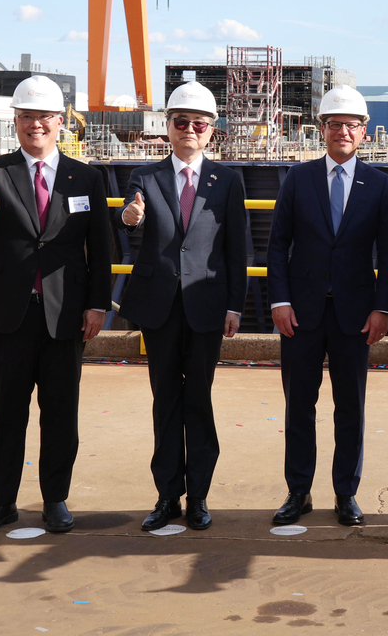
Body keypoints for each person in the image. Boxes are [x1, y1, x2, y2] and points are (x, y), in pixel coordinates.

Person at [0, 75, 112, 536]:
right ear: (16, 121)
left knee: (61, 410)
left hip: (65, 313)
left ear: (61, 122)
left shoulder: (86, 177)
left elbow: (100, 248)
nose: (36, 125)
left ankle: (55, 500)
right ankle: (1, 502)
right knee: (6, 410)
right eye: (27, 116)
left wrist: (98, 304)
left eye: (44, 116)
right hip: (7, 313)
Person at [116, 81, 250, 533]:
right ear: (167, 127)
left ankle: (200, 496)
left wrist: (235, 304)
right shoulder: (145, 178)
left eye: (198, 123)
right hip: (159, 307)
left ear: (211, 130)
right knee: (165, 400)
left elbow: (238, 249)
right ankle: (166, 494)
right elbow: (130, 218)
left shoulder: (228, 181)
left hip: (208, 306)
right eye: (180, 122)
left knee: (199, 399)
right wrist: (129, 218)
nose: (189, 129)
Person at [267, 85, 388, 527]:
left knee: (351, 406)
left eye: (351, 125)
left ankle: (346, 492)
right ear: (321, 130)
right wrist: (280, 301)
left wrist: (382, 309)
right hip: (300, 313)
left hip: (355, 315)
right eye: (334, 124)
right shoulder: (297, 179)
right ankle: (298, 491)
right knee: (299, 404)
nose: (343, 131)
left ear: (364, 133)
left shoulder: (379, 185)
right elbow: (277, 245)